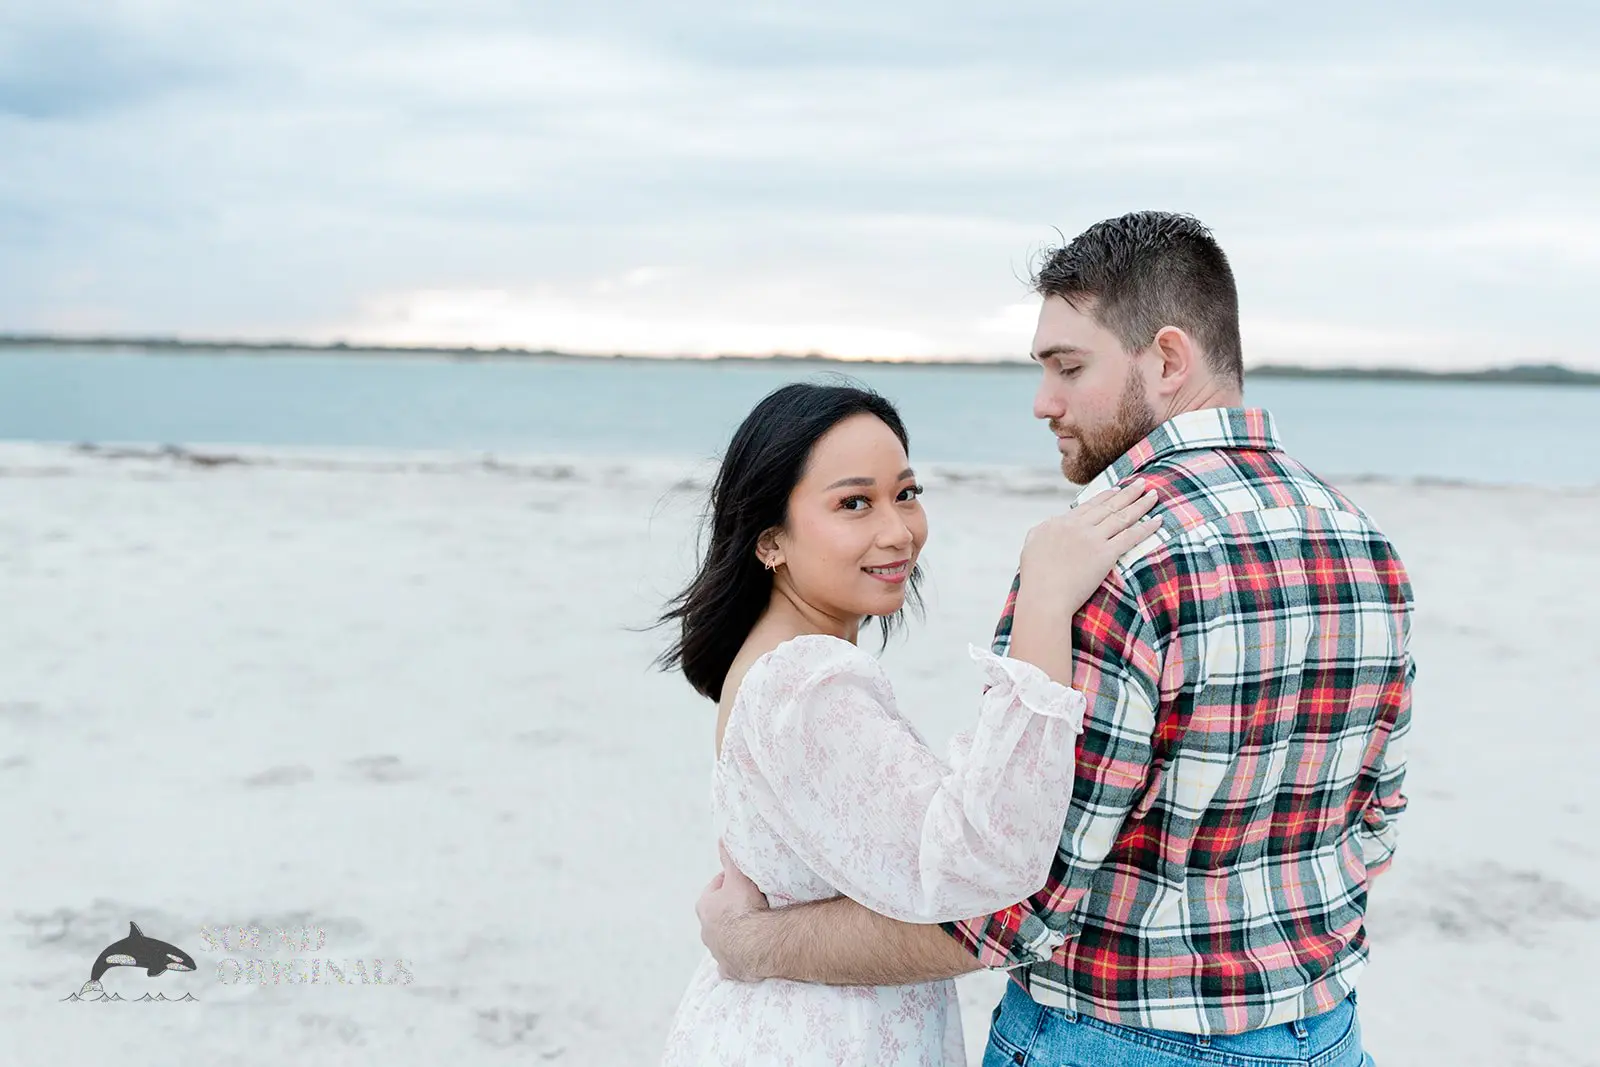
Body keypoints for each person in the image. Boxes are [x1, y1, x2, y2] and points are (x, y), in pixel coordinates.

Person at [695, 212, 1414, 1067]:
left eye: (1068, 367)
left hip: (1115, 1038)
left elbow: (1012, 904)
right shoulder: (1363, 541)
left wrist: (751, 943)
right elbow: (1376, 822)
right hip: (1326, 1032)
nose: (1044, 401)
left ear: (1169, 360)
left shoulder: (1103, 562)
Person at [656, 381, 1163, 1066]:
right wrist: (1043, 603)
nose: (898, 530)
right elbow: (986, 859)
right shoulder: (804, 684)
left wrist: (749, 940)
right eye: (853, 503)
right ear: (770, 539)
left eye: (906, 493)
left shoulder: (787, 665)